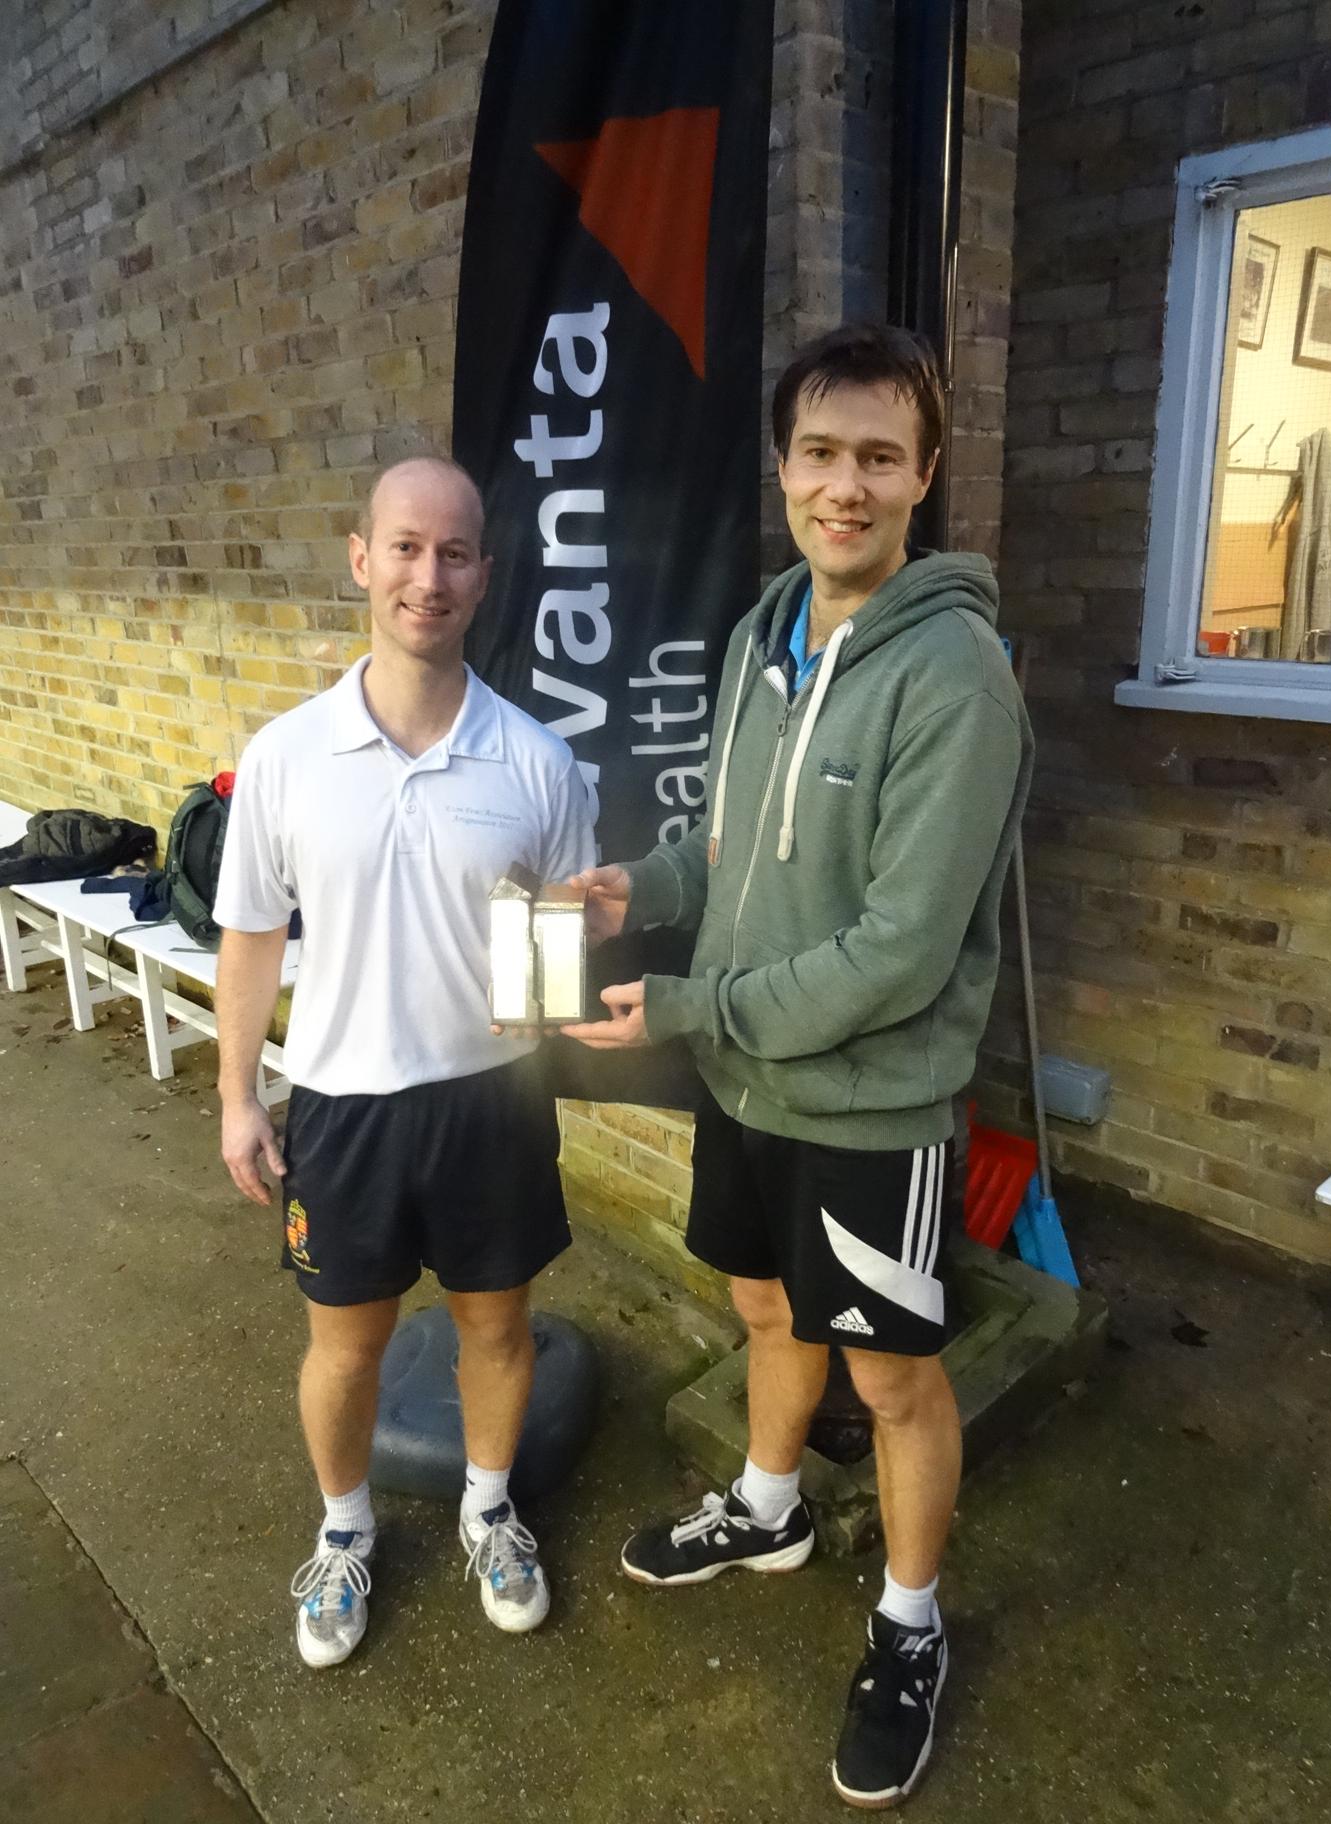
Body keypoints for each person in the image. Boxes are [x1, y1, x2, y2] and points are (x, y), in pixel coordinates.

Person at [563, 325, 1033, 1808]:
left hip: (873, 1111)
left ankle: (909, 1623)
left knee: (895, 1382)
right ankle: (766, 1506)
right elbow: (735, 849)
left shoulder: (957, 679)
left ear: (925, 477)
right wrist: (640, 891)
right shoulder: (774, 637)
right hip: (754, 1091)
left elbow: (900, 950)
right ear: (784, 469)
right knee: (762, 1300)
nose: (847, 485)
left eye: (880, 458)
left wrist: (691, 1008)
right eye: (822, 454)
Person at [214, 454, 594, 1669]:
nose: (428, 576)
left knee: (496, 1330)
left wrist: (563, 1005)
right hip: (343, 1108)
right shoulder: (284, 757)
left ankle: (490, 1510)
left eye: (456, 553)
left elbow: (559, 933)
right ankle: (343, 1535)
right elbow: (253, 936)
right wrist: (236, 1096)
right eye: (406, 548)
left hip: (491, 1104)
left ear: (486, 572)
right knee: (346, 1346)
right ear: (361, 557)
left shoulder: (538, 761)